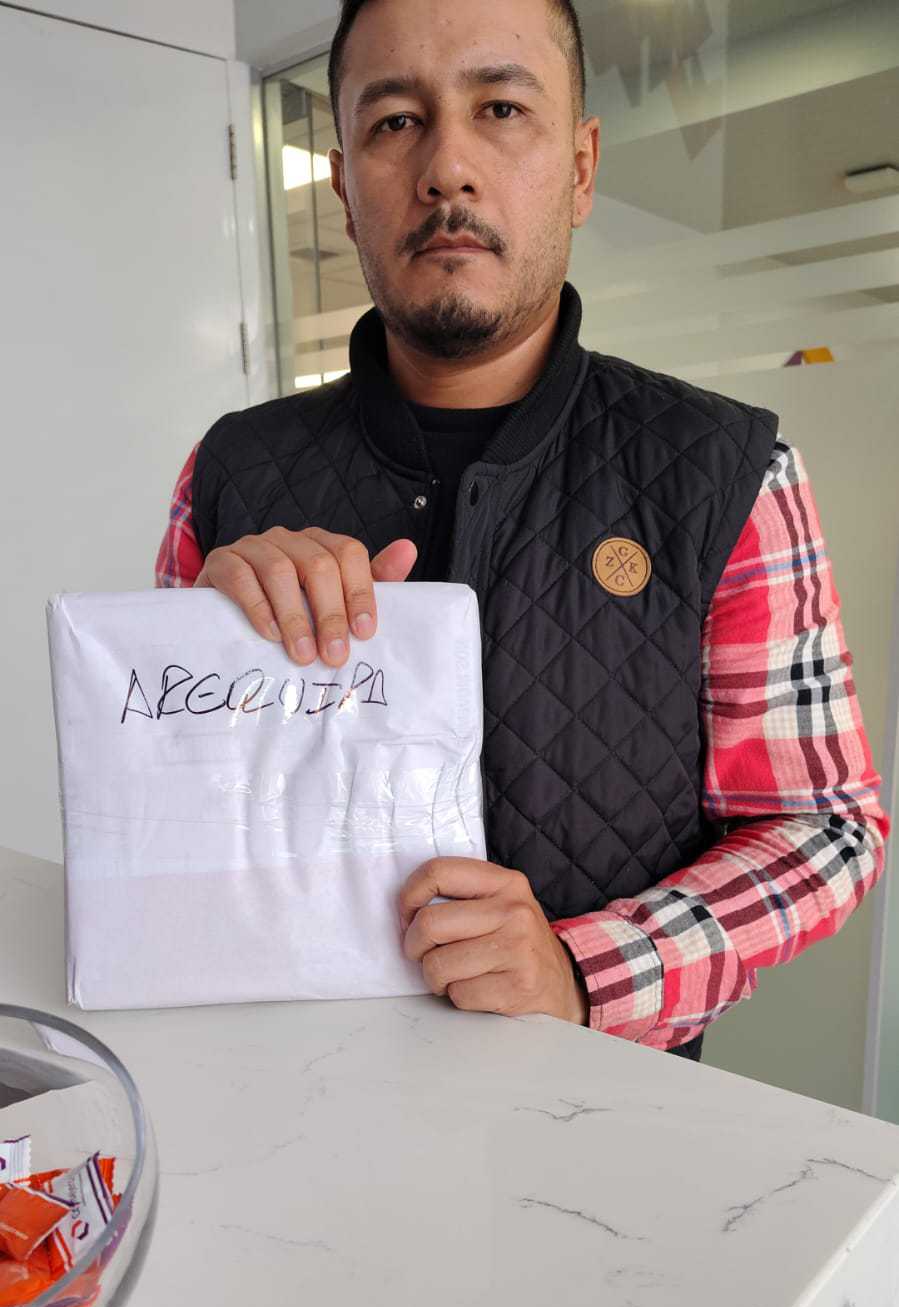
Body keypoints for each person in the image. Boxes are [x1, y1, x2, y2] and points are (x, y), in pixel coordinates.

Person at [156, 0, 888, 1061]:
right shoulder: (228, 471)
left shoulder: (727, 471)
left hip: (600, 1112)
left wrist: (585, 972)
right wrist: (202, 659)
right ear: (345, 191)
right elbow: (163, 821)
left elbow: (821, 826)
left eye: (500, 108)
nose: (447, 168)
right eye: (395, 122)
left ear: (579, 168)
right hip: (290, 1081)